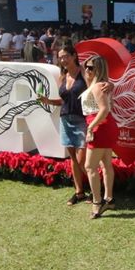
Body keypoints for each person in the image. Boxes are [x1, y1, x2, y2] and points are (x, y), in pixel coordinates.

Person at [38, 44, 90, 206]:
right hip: (65, 120)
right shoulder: (62, 76)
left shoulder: (84, 73)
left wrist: (108, 85)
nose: (62, 60)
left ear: (74, 56)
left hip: (82, 120)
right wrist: (47, 101)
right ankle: (79, 192)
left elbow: (95, 88)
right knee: (73, 159)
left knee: (82, 160)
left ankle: (97, 190)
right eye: (60, 57)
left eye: (66, 56)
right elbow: (63, 101)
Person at [81, 55, 118, 219]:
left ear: (99, 69)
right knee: (106, 164)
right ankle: (109, 199)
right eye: (86, 67)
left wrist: (90, 127)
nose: (87, 70)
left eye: (91, 67)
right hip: (104, 125)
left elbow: (104, 109)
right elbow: (109, 106)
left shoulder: (98, 86)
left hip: (99, 126)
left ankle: (97, 202)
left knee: (90, 166)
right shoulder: (101, 85)